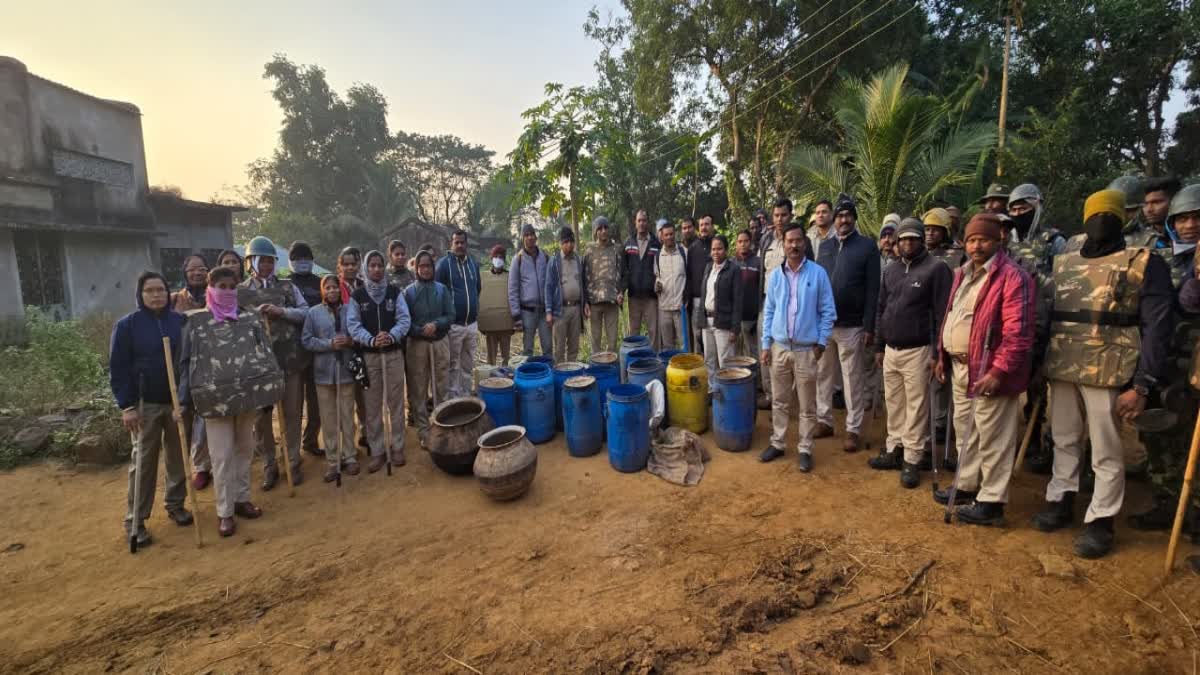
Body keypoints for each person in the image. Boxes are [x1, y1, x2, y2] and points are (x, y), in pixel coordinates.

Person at [1029, 190, 1175, 558]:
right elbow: (1048, 317)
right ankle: (1061, 499)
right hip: (1062, 365)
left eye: (1109, 215)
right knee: (1064, 438)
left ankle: (1101, 520)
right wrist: (1035, 366)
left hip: (1110, 371)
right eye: (1095, 215)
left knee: (1107, 450)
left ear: (1122, 219)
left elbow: (1158, 328)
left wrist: (1142, 384)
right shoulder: (1063, 263)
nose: (1101, 221)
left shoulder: (1142, 261)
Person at [932, 213, 1035, 525]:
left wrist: (998, 371)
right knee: (967, 431)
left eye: (984, 239)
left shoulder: (1013, 278)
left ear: (998, 240)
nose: (976, 245)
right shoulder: (962, 273)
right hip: (962, 366)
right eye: (972, 239)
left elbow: (1019, 334)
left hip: (990, 370)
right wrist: (943, 356)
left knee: (993, 435)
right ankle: (967, 485)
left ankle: (992, 501)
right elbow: (952, 316)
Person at [177, 265, 274, 537]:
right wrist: (186, 400)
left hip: (246, 397)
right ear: (211, 289)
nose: (228, 292)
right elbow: (187, 364)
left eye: (232, 287)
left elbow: (262, 354)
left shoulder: (249, 319)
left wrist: (266, 392)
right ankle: (225, 512)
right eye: (222, 287)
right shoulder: (197, 323)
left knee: (244, 448)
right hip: (214, 401)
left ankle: (242, 499)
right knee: (220, 456)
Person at [1125, 184, 1200, 535]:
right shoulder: (1159, 255)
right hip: (1162, 360)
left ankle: (1195, 511)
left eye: (1196, 218)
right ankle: (1168, 503)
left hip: (1195, 363)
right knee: (1159, 431)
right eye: (1182, 219)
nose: (1189, 226)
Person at [109, 271, 193, 547]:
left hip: (176, 402)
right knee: (144, 462)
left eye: (160, 290)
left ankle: (176, 504)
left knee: (178, 456)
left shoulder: (179, 322)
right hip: (145, 405)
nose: (156, 295)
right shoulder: (128, 326)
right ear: (140, 295)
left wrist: (186, 397)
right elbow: (118, 368)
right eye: (150, 291)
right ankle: (136, 519)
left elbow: (190, 360)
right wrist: (127, 406)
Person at [868, 218, 952, 488]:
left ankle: (913, 459)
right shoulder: (891, 269)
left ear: (921, 240)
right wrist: (880, 346)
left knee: (916, 408)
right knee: (894, 403)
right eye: (903, 239)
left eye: (913, 238)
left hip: (919, 350)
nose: (907, 243)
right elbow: (881, 308)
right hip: (891, 348)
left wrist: (938, 353)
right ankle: (895, 449)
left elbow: (942, 315)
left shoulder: (935, 269)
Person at [759, 222, 836, 471]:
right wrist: (765, 344)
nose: (794, 245)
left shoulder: (818, 274)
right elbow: (768, 311)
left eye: (798, 241)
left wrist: (821, 342)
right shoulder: (776, 276)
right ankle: (778, 443)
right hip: (780, 348)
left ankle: (805, 448)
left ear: (805, 243)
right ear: (783, 245)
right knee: (780, 401)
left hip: (805, 350)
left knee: (807, 404)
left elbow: (828, 312)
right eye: (789, 241)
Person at [240, 236, 310, 490]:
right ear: (250, 262)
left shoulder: (288, 288)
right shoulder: (241, 292)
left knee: (292, 414)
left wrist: (282, 312)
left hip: (290, 361)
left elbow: (306, 313)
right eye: (262, 260)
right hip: (259, 368)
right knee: (262, 419)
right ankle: (270, 464)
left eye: (270, 261)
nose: (267, 266)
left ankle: (293, 461)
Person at [815, 194, 881, 452]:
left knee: (852, 378)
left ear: (854, 218)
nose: (843, 220)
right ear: (834, 218)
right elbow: (818, 285)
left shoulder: (867, 246)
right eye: (840, 216)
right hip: (824, 325)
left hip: (852, 325)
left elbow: (873, 289)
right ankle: (824, 420)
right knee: (823, 374)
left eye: (847, 215)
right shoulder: (826, 246)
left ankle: (853, 429)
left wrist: (869, 325)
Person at [348, 250, 412, 471]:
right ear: (366, 268)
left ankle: (397, 447)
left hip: (394, 355)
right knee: (372, 406)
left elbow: (404, 319)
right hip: (370, 357)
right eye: (372, 265)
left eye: (379, 265)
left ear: (384, 267)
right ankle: (377, 450)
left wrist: (391, 335)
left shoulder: (395, 292)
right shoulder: (358, 296)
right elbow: (353, 325)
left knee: (396, 403)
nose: (376, 269)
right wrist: (372, 340)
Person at [301, 275, 360, 481]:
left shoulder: (350, 310)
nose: (332, 291)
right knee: (328, 419)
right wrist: (328, 344)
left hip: (345, 372)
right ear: (322, 290)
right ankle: (333, 461)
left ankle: (350, 456)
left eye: (335, 287)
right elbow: (306, 340)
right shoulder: (313, 313)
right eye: (328, 287)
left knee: (347, 416)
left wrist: (350, 340)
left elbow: (358, 334)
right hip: (324, 374)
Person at [169, 254, 213, 488]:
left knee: (206, 421)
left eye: (202, 269)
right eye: (192, 269)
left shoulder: (215, 299)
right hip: (181, 369)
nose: (197, 273)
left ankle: (202, 467)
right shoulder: (174, 300)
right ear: (185, 273)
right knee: (183, 422)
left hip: (210, 369)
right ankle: (177, 478)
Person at [405, 250, 453, 448]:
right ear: (416, 268)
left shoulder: (441, 290)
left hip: (440, 342)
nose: (425, 269)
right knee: (418, 388)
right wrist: (419, 330)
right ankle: (424, 430)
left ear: (433, 268)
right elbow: (404, 321)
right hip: (417, 345)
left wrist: (437, 324)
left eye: (428, 266)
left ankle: (441, 425)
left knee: (441, 385)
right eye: (421, 266)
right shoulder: (408, 292)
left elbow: (451, 315)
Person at [757, 198, 796, 405]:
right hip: (766, 304)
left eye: (784, 215)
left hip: (789, 307)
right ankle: (770, 396)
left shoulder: (798, 241)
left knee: (786, 353)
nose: (780, 219)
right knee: (765, 351)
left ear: (791, 215)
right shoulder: (766, 241)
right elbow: (763, 273)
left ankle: (786, 398)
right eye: (777, 215)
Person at [287, 241, 324, 459]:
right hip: (291, 351)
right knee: (293, 402)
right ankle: (290, 449)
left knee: (316, 400)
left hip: (316, 349)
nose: (302, 262)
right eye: (298, 258)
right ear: (291, 261)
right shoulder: (285, 284)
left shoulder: (319, 283)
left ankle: (310, 440)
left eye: (306, 258)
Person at [435, 230, 481, 398]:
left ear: (466, 244)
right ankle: (454, 399)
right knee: (453, 364)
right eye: (457, 242)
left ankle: (467, 394)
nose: (460, 245)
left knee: (468, 363)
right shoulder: (443, 265)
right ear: (451, 244)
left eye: (462, 242)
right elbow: (438, 293)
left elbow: (478, 289)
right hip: (454, 325)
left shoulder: (473, 264)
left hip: (471, 324)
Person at [699, 235, 743, 390]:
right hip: (707, 321)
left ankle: (728, 392)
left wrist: (735, 328)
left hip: (724, 323)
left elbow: (738, 301)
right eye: (713, 249)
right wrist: (700, 320)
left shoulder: (733, 270)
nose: (716, 252)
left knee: (725, 361)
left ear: (726, 250)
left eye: (719, 248)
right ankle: (713, 390)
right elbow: (704, 294)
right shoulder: (708, 268)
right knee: (709, 360)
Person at [545, 226, 588, 363]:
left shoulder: (578, 260)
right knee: (559, 347)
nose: (569, 245)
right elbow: (549, 287)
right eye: (566, 242)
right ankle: (560, 375)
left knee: (574, 346)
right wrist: (549, 311)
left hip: (576, 309)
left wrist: (585, 303)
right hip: (560, 310)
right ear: (561, 243)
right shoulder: (554, 261)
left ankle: (572, 374)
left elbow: (583, 283)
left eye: (571, 241)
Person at [583, 216, 626, 355]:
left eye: (605, 227)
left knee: (612, 343)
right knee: (595, 344)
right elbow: (584, 277)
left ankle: (611, 370)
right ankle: (597, 371)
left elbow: (624, 273)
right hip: (594, 302)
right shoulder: (589, 251)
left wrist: (621, 292)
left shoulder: (617, 249)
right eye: (600, 228)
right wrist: (585, 302)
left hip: (612, 301)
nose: (603, 231)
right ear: (595, 231)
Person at [508, 224, 551, 358]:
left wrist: (551, 309)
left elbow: (551, 284)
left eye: (532, 234)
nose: (530, 237)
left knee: (548, 347)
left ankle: (548, 375)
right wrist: (516, 316)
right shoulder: (518, 259)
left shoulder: (544, 256)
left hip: (544, 311)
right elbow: (512, 289)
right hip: (527, 312)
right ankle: (529, 377)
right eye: (527, 235)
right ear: (523, 238)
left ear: (536, 237)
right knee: (527, 350)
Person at [624, 209, 661, 349]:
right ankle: (634, 362)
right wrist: (623, 290)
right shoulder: (628, 243)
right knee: (634, 333)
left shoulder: (656, 244)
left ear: (648, 222)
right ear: (635, 222)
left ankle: (654, 361)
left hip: (651, 297)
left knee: (653, 332)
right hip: (634, 297)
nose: (641, 223)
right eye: (639, 220)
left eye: (644, 220)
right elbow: (624, 269)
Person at [654, 219, 689, 351]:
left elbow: (689, 276)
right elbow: (657, 277)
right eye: (666, 235)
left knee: (684, 345)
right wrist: (657, 286)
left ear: (675, 234)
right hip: (664, 308)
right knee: (668, 347)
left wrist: (686, 298)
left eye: (671, 234)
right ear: (661, 237)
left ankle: (685, 371)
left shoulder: (684, 252)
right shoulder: (658, 256)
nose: (669, 237)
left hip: (680, 309)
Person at [479, 244, 514, 366]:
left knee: (506, 357)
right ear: (491, 258)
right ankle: (491, 379)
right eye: (496, 256)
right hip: (489, 324)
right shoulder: (483, 277)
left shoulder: (510, 277)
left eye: (501, 257)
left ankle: (506, 377)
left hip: (505, 323)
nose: (498, 259)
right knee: (491, 357)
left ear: (504, 260)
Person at [685, 215, 715, 352]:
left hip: (715, 299)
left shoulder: (717, 245)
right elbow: (689, 275)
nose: (704, 227)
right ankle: (699, 368)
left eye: (707, 224)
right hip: (697, 300)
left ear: (712, 226)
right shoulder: (693, 248)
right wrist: (688, 298)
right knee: (698, 336)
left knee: (713, 335)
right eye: (701, 224)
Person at [734, 229, 762, 359]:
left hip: (751, 318)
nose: (743, 244)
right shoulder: (732, 263)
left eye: (746, 241)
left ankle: (755, 379)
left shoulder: (758, 262)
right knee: (735, 352)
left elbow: (761, 289)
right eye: (740, 241)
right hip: (734, 318)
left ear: (750, 243)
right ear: (736, 244)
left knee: (752, 353)